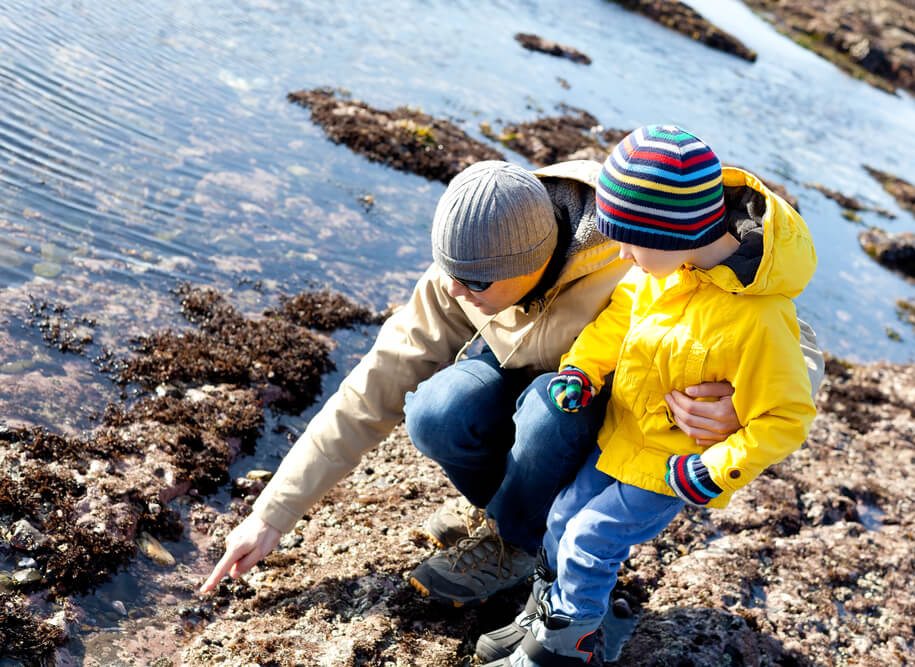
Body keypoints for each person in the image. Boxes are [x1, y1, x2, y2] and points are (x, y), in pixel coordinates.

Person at [199, 157, 825, 606]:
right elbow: (371, 388)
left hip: (600, 409)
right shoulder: (470, 259)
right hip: (524, 378)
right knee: (436, 411)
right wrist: (271, 515)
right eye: (447, 272)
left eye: (473, 284)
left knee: (550, 413)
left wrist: (741, 410)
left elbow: (782, 319)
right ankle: (509, 519)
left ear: (532, 269)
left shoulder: (638, 243)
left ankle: (516, 544)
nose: (452, 291)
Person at [476, 125, 818, 666]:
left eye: (631, 241)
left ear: (674, 233)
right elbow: (617, 321)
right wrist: (582, 371)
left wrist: (715, 469)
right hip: (620, 441)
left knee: (590, 539)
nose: (624, 255)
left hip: (673, 465)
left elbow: (788, 416)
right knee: (563, 517)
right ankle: (548, 617)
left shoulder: (759, 319)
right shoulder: (666, 271)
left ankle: (564, 652)